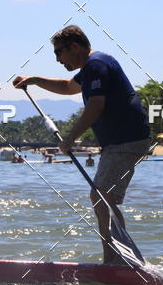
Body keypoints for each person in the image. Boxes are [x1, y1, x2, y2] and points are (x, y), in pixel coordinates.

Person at [12, 25, 150, 265]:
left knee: (101, 197)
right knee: (102, 197)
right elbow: (68, 87)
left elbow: (95, 106)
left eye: (59, 52)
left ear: (74, 46)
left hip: (126, 140)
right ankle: (116, 260)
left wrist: (70, 138)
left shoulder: (97, 64)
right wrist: (33, 80)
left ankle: (117, 261)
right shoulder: (90, 68)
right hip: (122, 141)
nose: (58, 59)